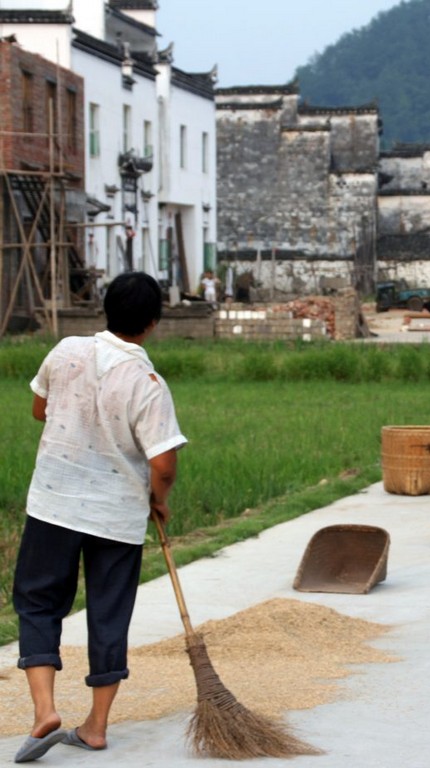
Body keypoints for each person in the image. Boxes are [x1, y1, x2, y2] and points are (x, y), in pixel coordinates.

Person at [12, 272, 187, 763]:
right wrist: (159, 498)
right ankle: (95, 726)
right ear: (153, 323)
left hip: (54, 503)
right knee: (109, 612)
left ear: (104, 310)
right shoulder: (148, 383)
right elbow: (164, 464)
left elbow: (38, 410)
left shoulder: (65, 350)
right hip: (115, 515)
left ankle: (44, 708)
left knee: (39, 602)